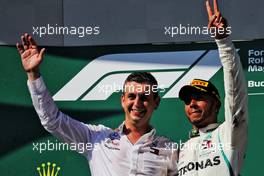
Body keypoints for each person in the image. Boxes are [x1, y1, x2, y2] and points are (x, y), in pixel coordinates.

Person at [16, 34, 177, 175]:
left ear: (156, 103)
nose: (137, 103)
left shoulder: (169, 149)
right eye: (131, 96)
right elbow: (52, 121)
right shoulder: (97, 138)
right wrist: (33, 74)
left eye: (144, 98)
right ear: (123, 100)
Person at [176, 0, 248, 175]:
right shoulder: (181, 150)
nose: (191, 103)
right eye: (187, 100)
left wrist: (223, 41)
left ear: (216, 104)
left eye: (199, 98)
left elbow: (235, 92)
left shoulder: (229, 133)